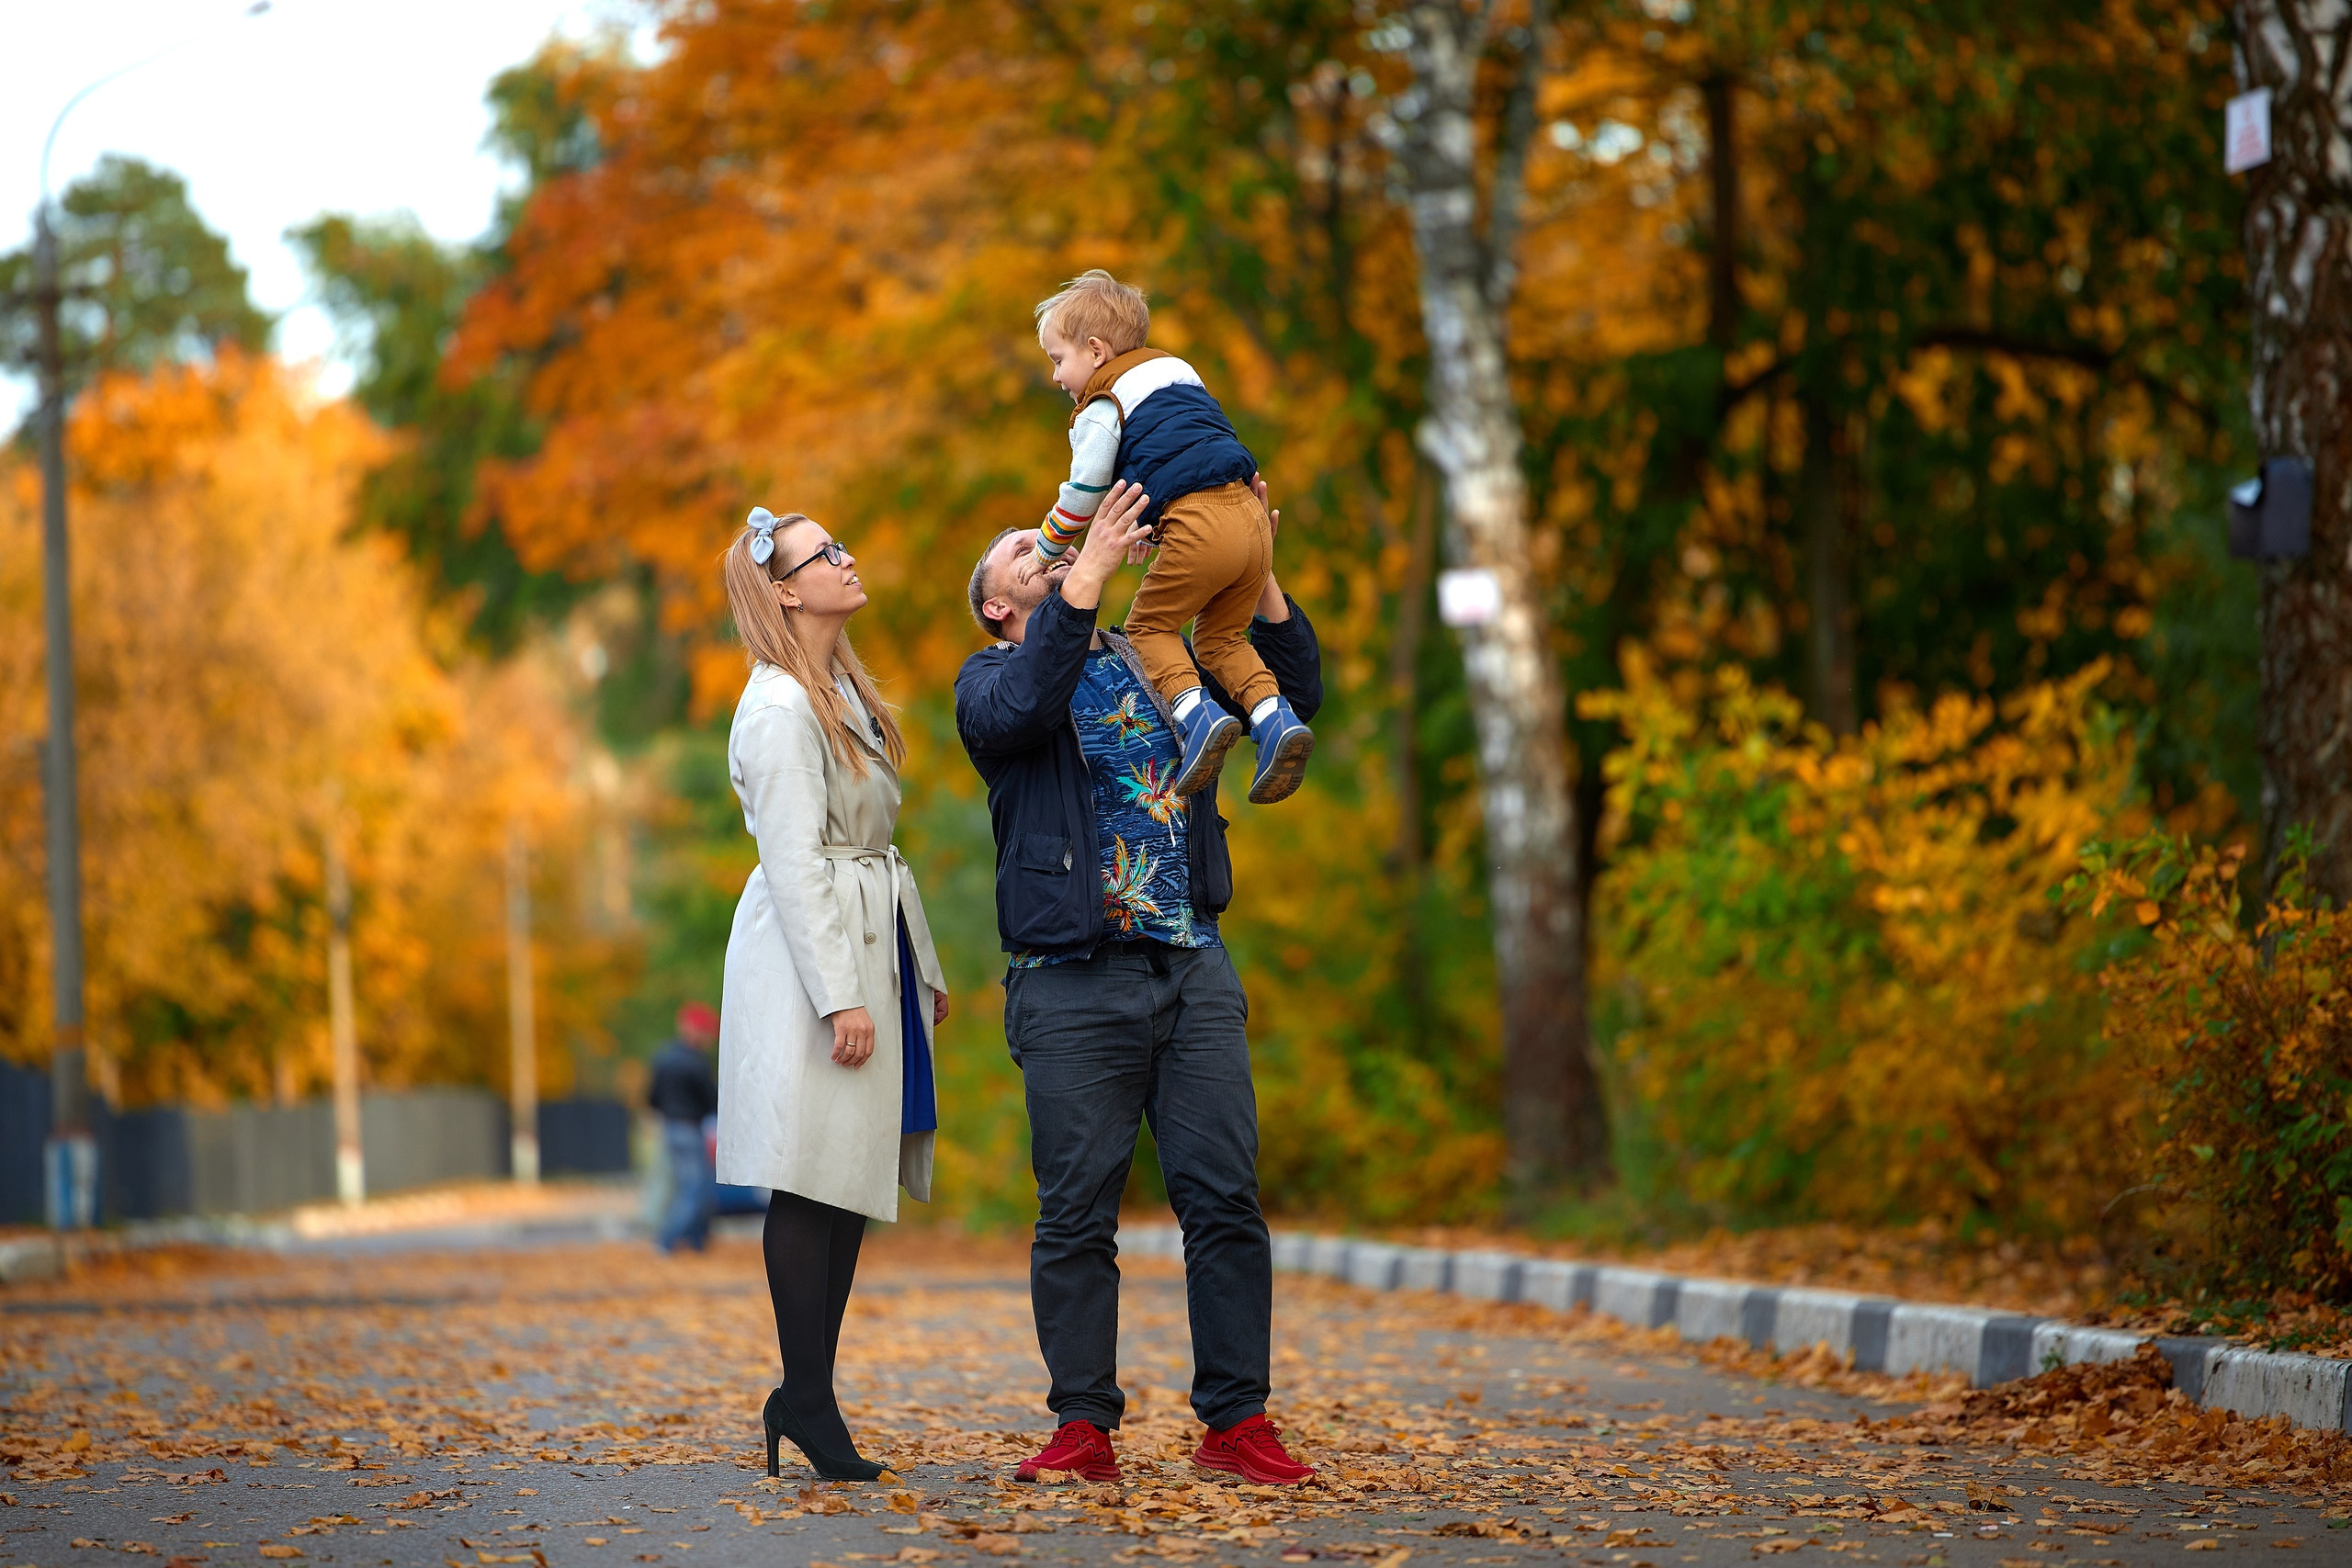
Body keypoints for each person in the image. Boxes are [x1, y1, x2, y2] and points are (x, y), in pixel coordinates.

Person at [956, 475, 1323, 1487]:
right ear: (999, 606)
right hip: (1069, 983)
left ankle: (1235, 1423)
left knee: (1225, 1200)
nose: (1052, 547)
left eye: (1053, 543)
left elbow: (1294, 691)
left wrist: (1257, 565)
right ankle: (1084, 1427)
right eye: (1027, 555)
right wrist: (1089, 577)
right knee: (1076, 1213)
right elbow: (1030, 701)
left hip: (1192, 963)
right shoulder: (986, 680)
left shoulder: (1152, 655)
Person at [715, 505, 951, 1483]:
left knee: (847, 1174)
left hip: (862, 934)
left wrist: (912, 968)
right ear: (784, 589)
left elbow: (869, 851)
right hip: (811, 956)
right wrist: (840, 997)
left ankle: (806, 1391)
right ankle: (805, 1395)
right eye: (826, 555)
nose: (847, 561)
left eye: (842, 546)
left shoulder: (836, 691)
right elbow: (797, 862)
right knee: (811, 1176)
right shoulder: (776, 709)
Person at [1017, 270, 1312, 807]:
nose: (1057, 377)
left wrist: (1046, 549)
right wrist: (1151, 524)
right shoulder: (1176, 372)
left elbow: (1083, 492)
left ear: (1096, 350)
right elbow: (1181, 455)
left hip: (1200, 525)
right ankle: (1276, 720)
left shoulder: (1102, 404)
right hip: (1251, 522)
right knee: (1222, 640)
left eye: (1058, 360)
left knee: (1149, 625)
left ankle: (1197, 717)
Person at [647, 1001, 721, 1253]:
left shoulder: (663, 1057)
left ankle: (696, 1240)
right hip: (691, 1129)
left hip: (669, 1128)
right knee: (695, 1190)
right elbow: (711, 1100)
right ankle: (667, 1240)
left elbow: (652, 1097)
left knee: (684, 1185)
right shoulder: (696, 1063)